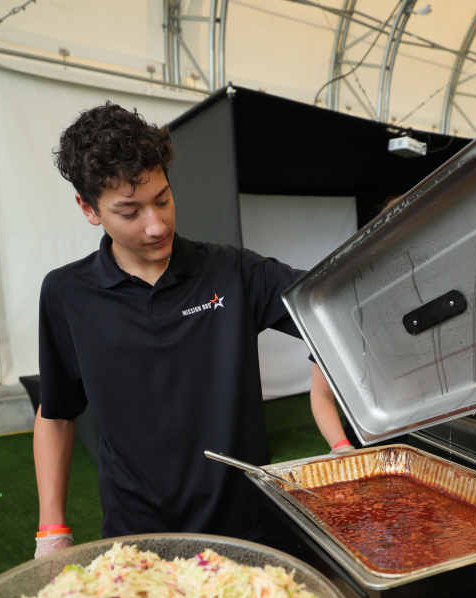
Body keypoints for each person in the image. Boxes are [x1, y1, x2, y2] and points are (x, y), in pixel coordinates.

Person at [33, 102, 306, 557]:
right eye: (130, 212)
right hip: (137, 536)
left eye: (162, 200)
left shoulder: (234, 272)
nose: (156, 226)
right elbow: (57, 412)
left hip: (248, 529)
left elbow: (336, 307)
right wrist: (51, 528)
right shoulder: (67, 293)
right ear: (89, 208)